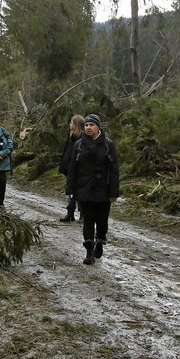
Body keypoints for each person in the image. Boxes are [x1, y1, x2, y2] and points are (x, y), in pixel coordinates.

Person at [66, 113, 120, 265]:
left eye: (92, 125)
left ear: (98, 127)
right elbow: (72, 169)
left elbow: (114, 170)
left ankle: (100, 241)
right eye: (86, 125)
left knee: (102, 222)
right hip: (84, 189)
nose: (88, 128)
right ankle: (89, 251)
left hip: (103, 189)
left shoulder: (108, 145)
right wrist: (70, 189)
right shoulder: (78, 145)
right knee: (88, 221)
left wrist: (114, 192)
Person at [58, 114, 85, 222]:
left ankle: (83, 214)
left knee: (79, 192)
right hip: (69, 169)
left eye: (71, 123)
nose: (69, 125)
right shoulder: (71, 136)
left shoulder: (82, 138)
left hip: (79, 170)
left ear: (76, 125)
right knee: (70, 191)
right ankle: (70, 213)